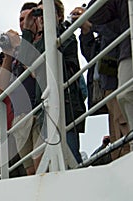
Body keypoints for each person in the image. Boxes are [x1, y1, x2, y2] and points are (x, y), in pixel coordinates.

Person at [20, 0, 86, 164]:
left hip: (66, 105)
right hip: (46, 108)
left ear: (59, 16)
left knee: (69, 152)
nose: (42, 18)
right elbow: (27, 60)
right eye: (39, 14)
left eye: (46, 13)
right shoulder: (41, 41)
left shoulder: (66, 34)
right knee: (49, 161)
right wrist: (28, 29)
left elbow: (46, 61)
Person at [70, 6, 130, 160]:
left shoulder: (118, 13)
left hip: (118, 80)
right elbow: (91, 55)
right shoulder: (103, 27)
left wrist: (93, 24)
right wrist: (86, 32)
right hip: (108, 85)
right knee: (117, 131)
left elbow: (117, 32)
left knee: (123, 124)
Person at [0, 2, 44, 175]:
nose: (23, 23)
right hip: (20, 117)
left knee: (41, 165)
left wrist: (19, 44)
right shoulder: (17, 52)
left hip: (38, 110)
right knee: (30, 171)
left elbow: (34, 70)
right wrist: (8, 55)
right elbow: (1, 89)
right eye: (20, 20)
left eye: (26, 19)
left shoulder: (37, 43)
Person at [86, 0, 133, 147]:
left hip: (121, 56)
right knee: (125, 94)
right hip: (127, 50)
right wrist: (87, 31)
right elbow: (98, 15)